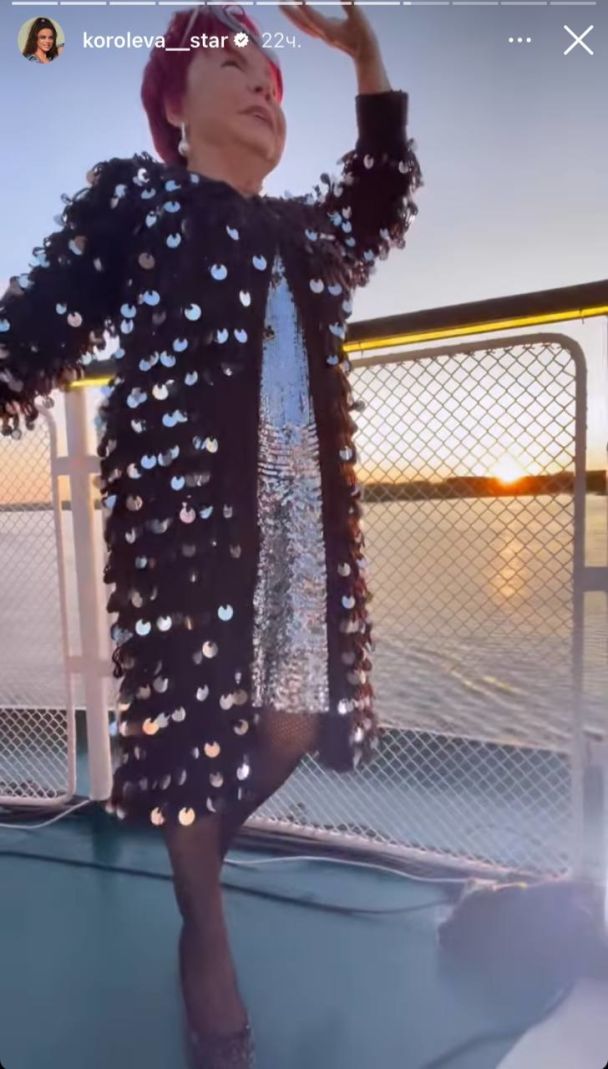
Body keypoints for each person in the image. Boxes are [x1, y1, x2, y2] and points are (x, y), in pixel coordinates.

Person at [0, 3, 422, 1065]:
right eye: (229, 64)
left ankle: (196, 858)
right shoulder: (138, 201)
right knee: (190, 743)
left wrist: (367, 59)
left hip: (302, 528)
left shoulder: (306, 235)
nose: (260, 84)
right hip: (185, 530)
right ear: (173, 110)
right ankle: (207, 940)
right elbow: (35, 323)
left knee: (292, 721)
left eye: (267, 75)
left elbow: (378, 195)